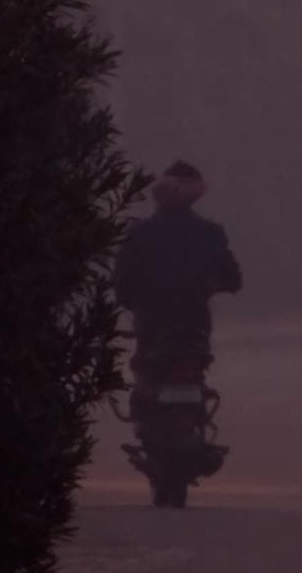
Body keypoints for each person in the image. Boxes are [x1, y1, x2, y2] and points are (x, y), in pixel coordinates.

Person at [115, 161, 242, 417]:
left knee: (144, 376)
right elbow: (233, 280)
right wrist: (209, 285)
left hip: (153, 328)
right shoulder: (210, 233)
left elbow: (123, 287)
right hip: (195, 330)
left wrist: (135, 300)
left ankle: (147, 415)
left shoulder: (139, 234)